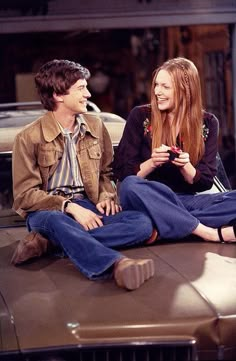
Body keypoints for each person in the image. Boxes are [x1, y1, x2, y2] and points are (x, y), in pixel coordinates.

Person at [12, 59, 156, 291]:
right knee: (58, 221)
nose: (88, 94)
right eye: (81, 88)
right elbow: (25, 196)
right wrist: (68, 206)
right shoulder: (28, 138)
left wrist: (106, 195)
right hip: (48, 213)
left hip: (88, 206)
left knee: (142, 223)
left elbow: (106, 172)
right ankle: (117, 264)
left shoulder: (96, 126)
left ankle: (52, 244)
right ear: (59, 95)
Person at [113, 57, 236, 243]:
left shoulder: (208, 123)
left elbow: (205, 182)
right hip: (147, 199)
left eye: (165, 87)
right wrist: (152, 163)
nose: (157, 92)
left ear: (185, 90)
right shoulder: (139, 116)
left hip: (186, 201)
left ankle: (163, 227)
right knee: (130, 186)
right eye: (156, 85)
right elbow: (123, 174)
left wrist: (186, 166)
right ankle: (206, 232)